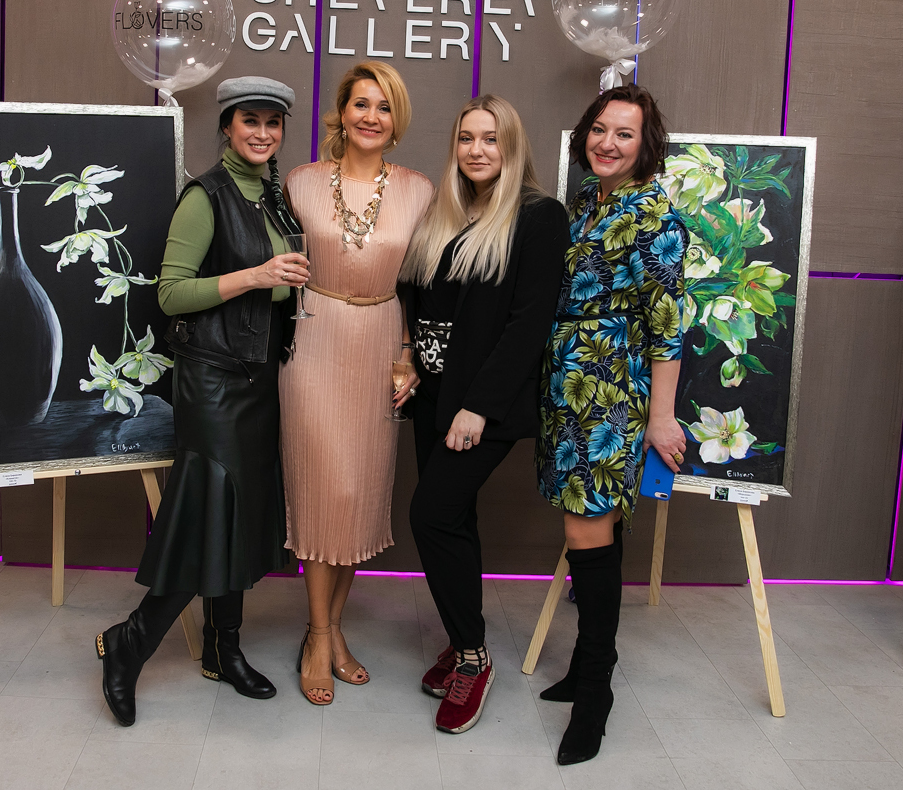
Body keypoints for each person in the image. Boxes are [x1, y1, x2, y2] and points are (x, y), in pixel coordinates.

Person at [96, 76, 309, 727]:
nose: (263, 133)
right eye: (251, 120)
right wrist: (256, 275)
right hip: (213, 382)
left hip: (259, 379)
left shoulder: (277, 197)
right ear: (226, 126)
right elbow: (170, 295)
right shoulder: (204, 195)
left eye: (273, 122)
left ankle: (223, 649)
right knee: (209, 516)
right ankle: (129, 643)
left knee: (239, 519)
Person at [399, 95, 569, 734]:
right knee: (455, 519)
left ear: (512, 146)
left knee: (431, 514)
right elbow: (419, 302)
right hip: (432, 397)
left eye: (491, 139)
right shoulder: (445, 212)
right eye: (467, 138)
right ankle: (461, 636)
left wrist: (478, 407)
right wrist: (412, 362)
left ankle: (473, 657)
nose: (477, 150)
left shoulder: (538, 216)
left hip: (481, 404)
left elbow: (529, 324)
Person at [536, 83, 688, 765]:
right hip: (567, 386)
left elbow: (667, 326)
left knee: (586, 526)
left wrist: (661, 418)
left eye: (624, 133)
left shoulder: (657, 218)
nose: (607, 142)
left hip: (609, 394)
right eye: (599, 129)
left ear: (645, 145)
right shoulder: (584, 204)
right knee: (597, 525)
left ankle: (595, 691)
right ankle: (587, 664)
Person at [279, 61, 432, 706]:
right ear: (341, 112)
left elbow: (421, 284)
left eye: (384, 107)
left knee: (359, 491)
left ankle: (332, 627)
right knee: (322, 487)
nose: (371, 116)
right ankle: (319, 636)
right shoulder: (300, 181)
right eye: (361, 103)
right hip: (312, 339)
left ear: (397, 122)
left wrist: (410, 355)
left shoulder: (420, 191)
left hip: (381, 344)